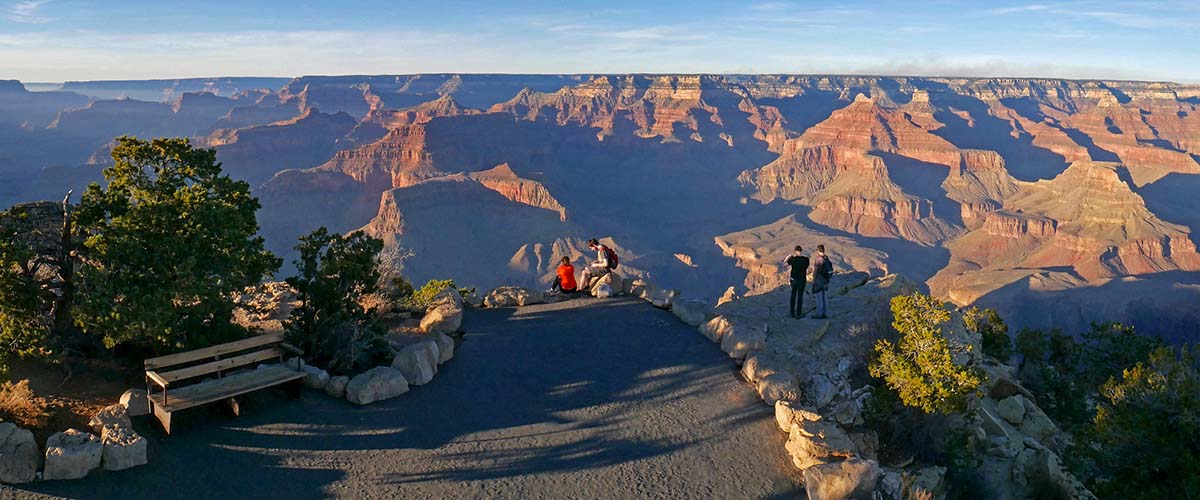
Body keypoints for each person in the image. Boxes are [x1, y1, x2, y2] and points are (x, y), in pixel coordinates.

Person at [808, 244, 834, 319]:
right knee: (824, 297)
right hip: (826, 281)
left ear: (818, 251)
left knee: (818, 298)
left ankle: (819, 314)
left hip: (819, 281)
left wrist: (814, 280)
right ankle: (824, 313)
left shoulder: (819, 259)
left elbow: (816, 271)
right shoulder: (826, 258)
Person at [785, 245, 809, 319]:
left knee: (793, 295)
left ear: (795, 251)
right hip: (802, 280)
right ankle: (799, 313)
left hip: (794, 280)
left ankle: (792, 312)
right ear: (801, 251)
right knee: (800, 296)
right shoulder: (806, 259)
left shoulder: (793, 259)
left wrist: (788, 257)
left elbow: (784, 264)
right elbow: (806, 267)